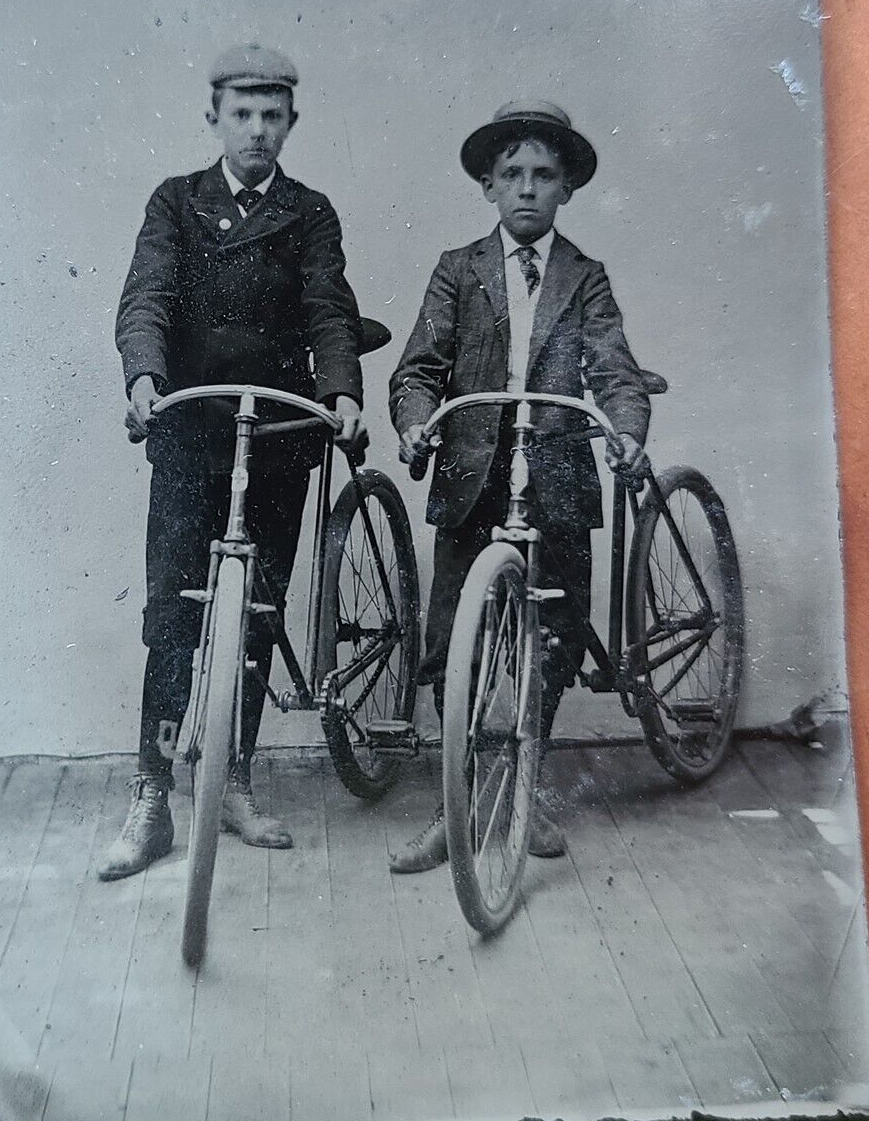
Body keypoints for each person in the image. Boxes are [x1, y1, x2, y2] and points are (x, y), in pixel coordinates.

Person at [100, 43, 366, 881]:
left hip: (281, 434)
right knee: (172, 615)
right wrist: (145, 376)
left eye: (272, 116)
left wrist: (343, 391)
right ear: (213, 117)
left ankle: (237, 780)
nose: (256, 131)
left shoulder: (310, 212)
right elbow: (145, 294)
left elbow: (330, 307)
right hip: (188, 434)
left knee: (257, 611)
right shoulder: (176, 203)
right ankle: (151, 796)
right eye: (241, 114)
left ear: (290, 121)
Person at [387, 100, 651, 873]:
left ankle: (526, 784)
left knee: (555, 638)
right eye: (512, 175)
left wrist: (625, 427)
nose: (527, 189)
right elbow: (419, 367)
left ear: (566, 187)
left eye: (543, 175)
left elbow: (612, 367)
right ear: (487, 187)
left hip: (558, 477)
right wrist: (415, 421)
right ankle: (456, 804)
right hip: (475, 476)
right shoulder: (457, 269)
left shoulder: (584, 278)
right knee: (450, 644)